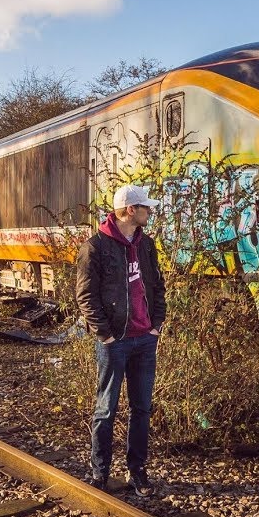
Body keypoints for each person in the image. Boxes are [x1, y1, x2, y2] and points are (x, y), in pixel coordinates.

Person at [75, 183, 167, 497]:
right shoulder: (95, 247)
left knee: (142, 409)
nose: (149, 211)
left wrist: (156, 325)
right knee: (106, 410)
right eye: (145, 207)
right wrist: (107, 335)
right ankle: (100, 474)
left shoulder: (147, 245)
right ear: (131, 210)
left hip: (144, 341)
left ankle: (137, 471)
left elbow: (157, 286)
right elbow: (86, 296)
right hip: (114, 342)